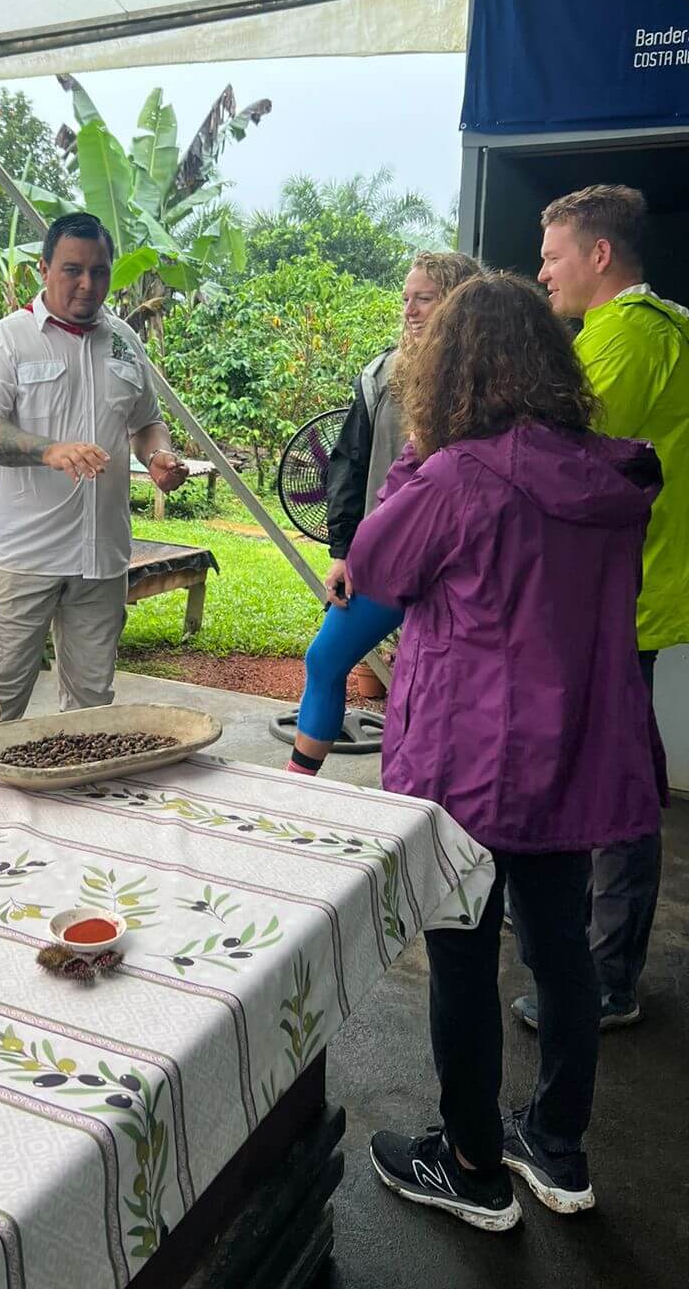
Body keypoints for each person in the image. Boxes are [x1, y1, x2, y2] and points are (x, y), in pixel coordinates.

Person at [347, 273, 663, 1230]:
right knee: (562, 954)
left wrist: (413, 458)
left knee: (462, 960)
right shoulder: (609, 475)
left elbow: (373, 567)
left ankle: (474, 1164)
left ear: (451, 366)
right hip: (568, 754)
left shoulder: (457, 476)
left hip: (470, 762)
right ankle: (555, 1147)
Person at [520, 185, 687, 1029]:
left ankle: (605, 980)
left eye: (552, 256)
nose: (542, 271)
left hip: (623, 594)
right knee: (608, 768)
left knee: (617, 783)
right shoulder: (657, 328)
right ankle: (591, 950)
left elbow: (559, 455)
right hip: (633, 589)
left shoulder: (627, 335)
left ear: (599, 256)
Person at [0, 212, 188, 757]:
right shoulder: (3, 343)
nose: (88, 285)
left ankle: (75, 831)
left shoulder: (125, 342)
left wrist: (159, 456)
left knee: (92, 716)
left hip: (101, 561)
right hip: (22, 559)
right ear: (43, 269)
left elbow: (145, 421)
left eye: (100, 272)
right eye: (72, 270)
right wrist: (47, 449)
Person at [287, 252, 481, 776]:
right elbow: (348, 463)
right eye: (406, 299)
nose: (411, 311)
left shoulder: (489, 381)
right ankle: (296, 787)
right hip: (389, 552)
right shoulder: (382, 374)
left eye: (426, 299)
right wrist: (345, 550)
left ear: (459, 303)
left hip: (464, 562)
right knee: (325, 658)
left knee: (448, 689)